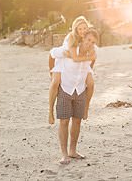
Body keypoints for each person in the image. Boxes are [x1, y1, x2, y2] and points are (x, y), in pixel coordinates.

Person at [47, 19, 98, 164]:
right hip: (66, 86)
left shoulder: (91, 46)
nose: (83, 32)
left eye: (85, 29)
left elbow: (91, 61)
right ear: (76, 29)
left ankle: (73, 151)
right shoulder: (70, 42)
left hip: (79, 88)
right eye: (80, 29)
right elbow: (55, 54)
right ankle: (64, 154)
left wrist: (89, 63)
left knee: (77, 121)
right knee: (64, 121)